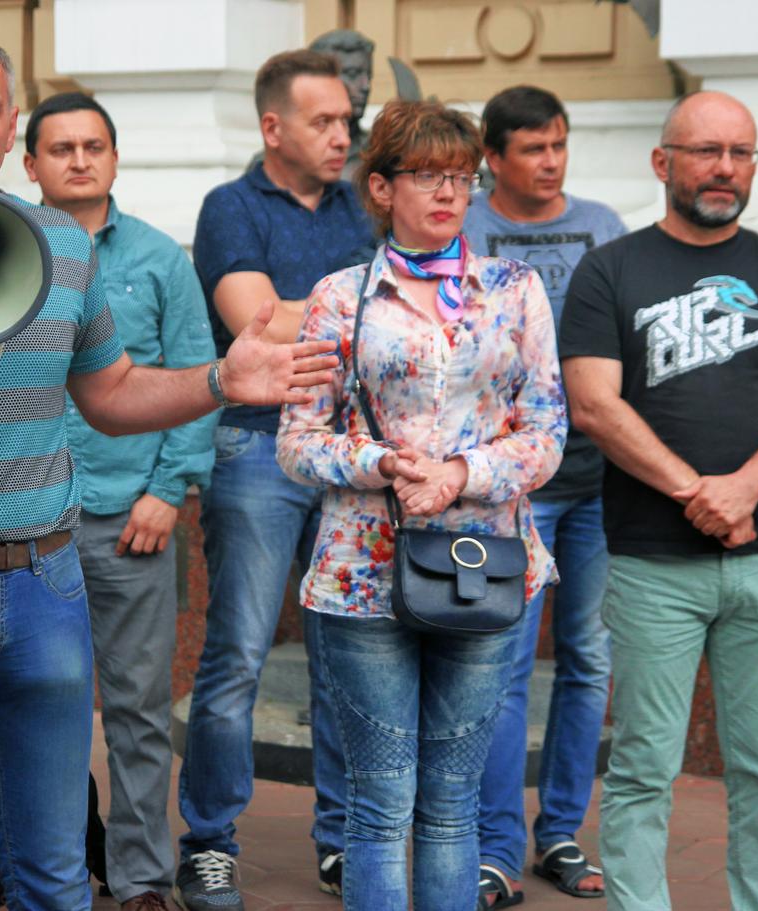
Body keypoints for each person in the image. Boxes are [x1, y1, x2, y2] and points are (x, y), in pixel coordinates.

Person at [0, 26, 337, 911]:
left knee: (52, 874)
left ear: (12, 129)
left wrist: (216, 381)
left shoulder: (66, 250)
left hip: (43, 582)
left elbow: (111, 392)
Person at [276, 98, 568, 911]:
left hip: (487, 566)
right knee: (378, 805)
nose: (449, 192)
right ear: (380, 187)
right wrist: (379, 460)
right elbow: (298, 441)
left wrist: (460, 474)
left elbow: (548, 432)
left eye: (461, 176)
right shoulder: (340, 296)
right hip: (361, 572)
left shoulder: (515, 290)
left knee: (451, 808)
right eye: (427, 176)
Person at [558, 91, 758, 911]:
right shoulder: (612, 270)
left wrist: (746, 489)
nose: (726, 168)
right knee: (646, 767)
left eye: (741, 152)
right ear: (663, 162)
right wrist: (698, 492)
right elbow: (594, 404)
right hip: (653, 565)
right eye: (708, 150)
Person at [174, 48, 374, 911]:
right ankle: (209, 843)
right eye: (325, 121)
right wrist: (365, 307)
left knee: (347, 662)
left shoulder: (361, 207)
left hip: (350, 458)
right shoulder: (230, 206)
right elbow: (254, 328)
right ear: (272, 127)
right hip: (255, 451)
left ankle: (341, 842)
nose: (343, 135)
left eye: (347, 121)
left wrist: (322, 311)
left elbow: (332, 318)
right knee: (237, 659)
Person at [23, 91, 218, 911]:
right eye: (59, 147)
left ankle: (140, 878)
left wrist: (167, 492)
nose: (77, 159)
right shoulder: (6, 253)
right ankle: (55, 872)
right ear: (29, 164)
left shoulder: (158, 259)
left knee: (137, 712)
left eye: (92, 145)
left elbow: (197, 377)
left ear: (113, 156)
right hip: (29, 525)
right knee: (41, 708)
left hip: (132, 521)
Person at [463, 85, 626, 907]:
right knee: (504, 662)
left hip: (600, 480)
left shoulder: (603, 223)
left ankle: (559, 829)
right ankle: (495, 843)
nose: (551, 160)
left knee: (589, 660)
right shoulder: (467, 228)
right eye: (532, 148)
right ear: (493, 156)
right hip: (509, 485)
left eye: (559, 144)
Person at [310, 29, 375, 179]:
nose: (366, 86)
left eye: (369, 76)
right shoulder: (280, 163)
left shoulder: (381, 154)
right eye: (353, 74)